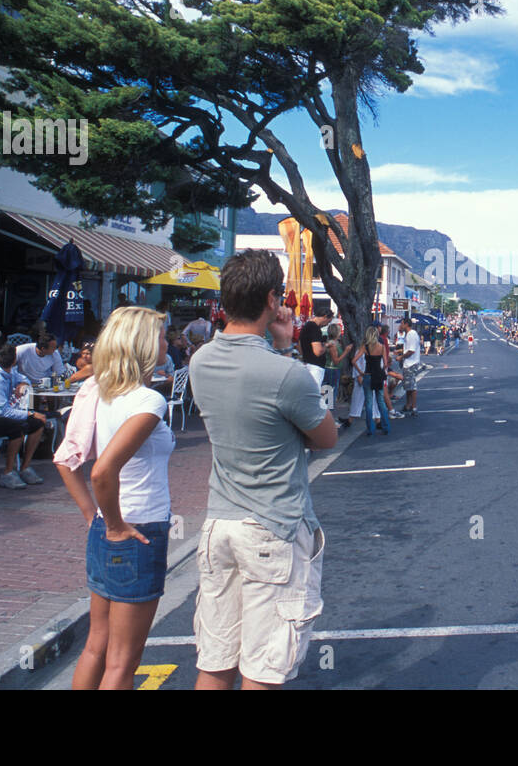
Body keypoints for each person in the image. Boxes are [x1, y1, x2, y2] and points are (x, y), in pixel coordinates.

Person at [188, 250, 336, 689]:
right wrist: (287, 349)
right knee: (264, 668)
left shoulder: (199, 362)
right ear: (273, 300)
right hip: (274, 525)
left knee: (215, 660)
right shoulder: (285, 373)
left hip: (220, 522)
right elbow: (326, 437)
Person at [56, 305, 176, 689]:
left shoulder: (95, 389)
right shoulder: (148, 401)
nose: (166, 342)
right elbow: (102, 470)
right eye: (160, 336)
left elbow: (66, 460)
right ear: (142, 344)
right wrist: (115, 523)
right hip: (137, 529)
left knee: (97, 646)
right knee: (123, 662)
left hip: (107, 530)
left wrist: (95, 516)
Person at [0, 346, 49, 489]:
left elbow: (23, 377)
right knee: (16, 429)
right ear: (14, 361)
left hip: (0, 414)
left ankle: (25, 467)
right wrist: (30, 413)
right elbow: (2, 411)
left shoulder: (9, 372)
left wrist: (23, 384)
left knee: (38, 423)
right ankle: (7, 473)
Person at [298, 300, 333, 391]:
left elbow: (299, 345)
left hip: (307, 363)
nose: (327, 324)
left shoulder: (306, 326)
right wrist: (326, 345)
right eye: (328, 322)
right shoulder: (315, 328)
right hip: (315, 367)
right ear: (325, 317)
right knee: (314, 392)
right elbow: (318, 351)